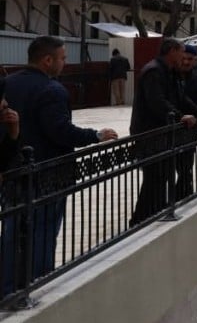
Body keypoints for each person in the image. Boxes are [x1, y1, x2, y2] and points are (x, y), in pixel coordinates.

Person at [1, 37, 119, 297]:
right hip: (48, 174)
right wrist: (95, 135)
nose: (65, 63)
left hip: (13, 171)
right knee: (42, 231)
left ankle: (8, 288)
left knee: (12, 231)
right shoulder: (52, 90)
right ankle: (39, 284)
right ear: (48, 60)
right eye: (63, 58)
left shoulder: (8, 85)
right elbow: (60, 131)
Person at [129, 38, 197, 227]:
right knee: (154, 178)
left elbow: (180, 98)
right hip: (151, 133)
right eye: (182, 52)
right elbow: (157, 102)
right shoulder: (154, 71)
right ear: (172, 51)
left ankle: (156, 212)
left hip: (164, 134)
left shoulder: (169, 71)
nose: (184, 57)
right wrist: (180, 117)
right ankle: (140, 220)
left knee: (163, 175)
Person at [173, 45, 197, 200]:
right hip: (174, 128)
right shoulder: (171, 77)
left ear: (195, 60)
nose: (186, 62)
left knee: (186, 167)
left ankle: (183, 195)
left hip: (191, 131)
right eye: (183, 58)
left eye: (189, 59)